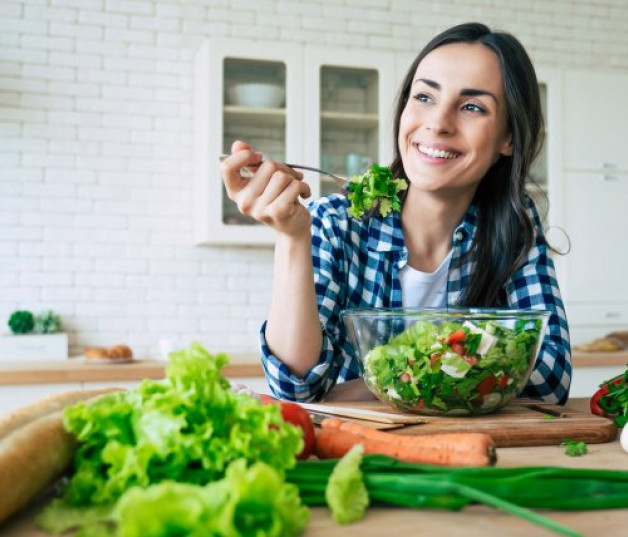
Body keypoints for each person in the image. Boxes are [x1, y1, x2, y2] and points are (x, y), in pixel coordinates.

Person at [220, 22, 571, 404]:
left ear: (508, 138)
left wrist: (377, 383)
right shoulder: (335, 222)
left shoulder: (515, 227)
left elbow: (549, 379)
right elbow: (297, 387)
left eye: (472, 106)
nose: (438, 123)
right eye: (424, 97)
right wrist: (291, 237)